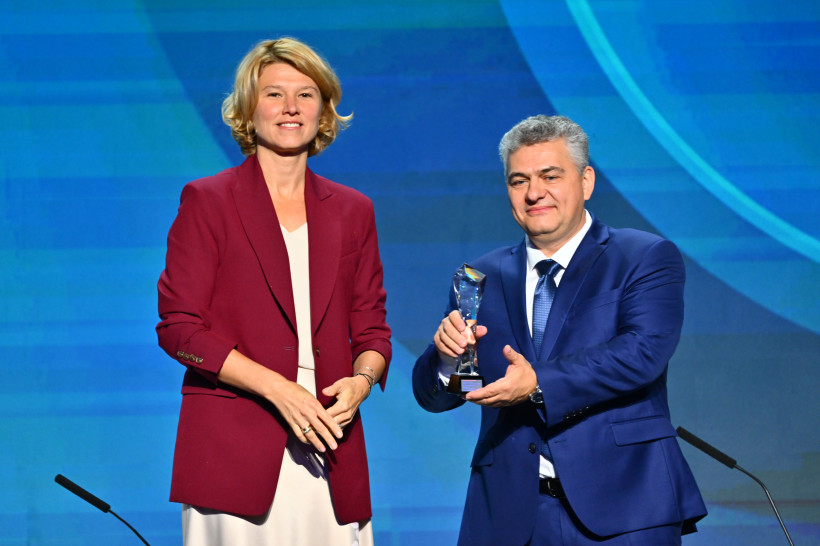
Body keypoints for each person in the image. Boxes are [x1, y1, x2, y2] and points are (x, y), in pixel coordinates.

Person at [412, 115, 706, 545]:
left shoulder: (643, 256)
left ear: (586, 182)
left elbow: (642, 352)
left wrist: (537, 382)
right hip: (508, 517)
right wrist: (447, 360)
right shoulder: (478, 277)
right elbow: (451, 392)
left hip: (625, 508)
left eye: (550, 176)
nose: (534, 193)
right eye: (519, 181)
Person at [156, 37, 391, 545]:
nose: (290, 107)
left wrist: (361, 382)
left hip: (330, 440)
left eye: (305, 94)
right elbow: (179, 330)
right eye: (274, 94)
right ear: (248, 109)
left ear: (324, 110)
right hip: (232, 449)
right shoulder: (208, 200)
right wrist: (279, 389)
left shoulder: (354, 210)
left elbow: (372, 329)